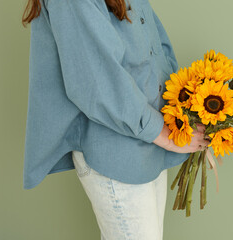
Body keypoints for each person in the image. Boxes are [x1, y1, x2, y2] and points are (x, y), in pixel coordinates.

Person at [21, 0, 210, 239]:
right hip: (116, 150)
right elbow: (96, 84)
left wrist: (185, 113)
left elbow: (156, 47)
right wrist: (167, 136)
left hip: (149, 142)